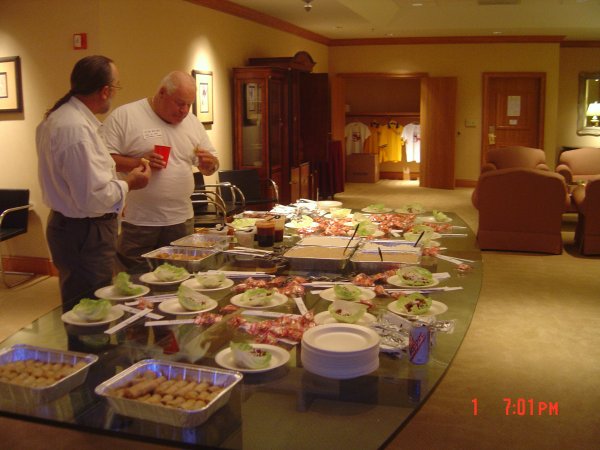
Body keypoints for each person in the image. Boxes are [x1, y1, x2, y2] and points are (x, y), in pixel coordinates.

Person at [36, 55, 151, 308]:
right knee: (90, 307)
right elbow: (93, 196)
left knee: (83, 303)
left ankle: (86, 347)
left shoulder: (58, 119)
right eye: (116, 87)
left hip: (73, 227)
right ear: (105, 91)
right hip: (85, 233)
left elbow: (85, 185)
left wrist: (116, 199)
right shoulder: (76, 129)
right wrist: (129, 183)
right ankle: (89, 349)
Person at [103, 71, 220, 273]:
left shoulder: (191, 122)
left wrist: (211, 164)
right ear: (162, 93)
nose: (184, 110)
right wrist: (136, 162)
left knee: (181, 277)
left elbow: (210, 165)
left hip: (181, 218)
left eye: (189, 105)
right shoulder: (126, 116)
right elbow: (104, 161)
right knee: (135, 280)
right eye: (179, 103)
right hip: (140, 219)